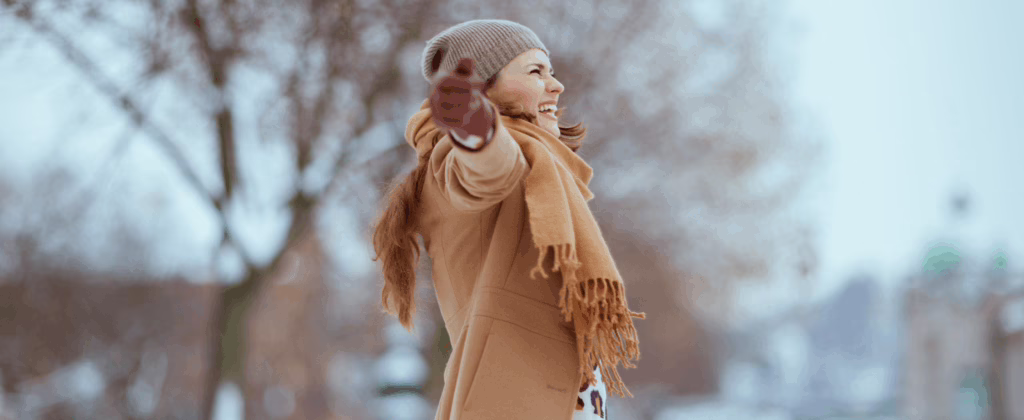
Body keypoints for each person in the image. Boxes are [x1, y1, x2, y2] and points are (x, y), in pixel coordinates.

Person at [371, 19, 646, 419]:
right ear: (483, 88)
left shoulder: (539, 168)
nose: (556, 85)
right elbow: (488, 171)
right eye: (536, 71)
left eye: (550, 71)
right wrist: (476, 130)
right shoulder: (454, 160)